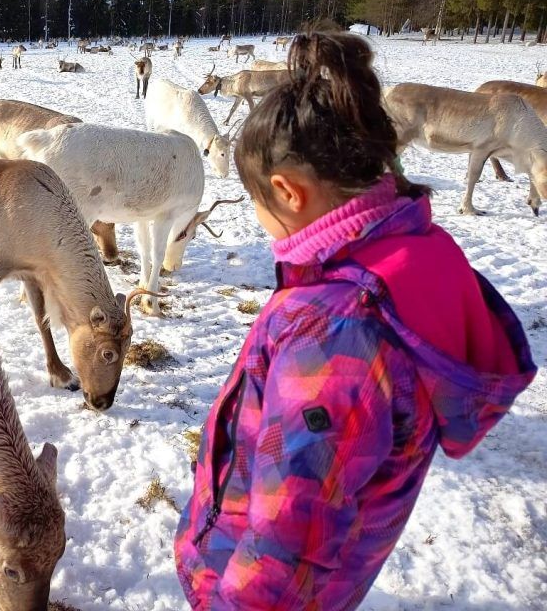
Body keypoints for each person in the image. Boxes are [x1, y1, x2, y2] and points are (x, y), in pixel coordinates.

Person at [174, 32, 536, 610]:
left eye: (257, 205)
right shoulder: (409, 256)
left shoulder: (339, 333)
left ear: (288, 193)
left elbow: (288, 535)